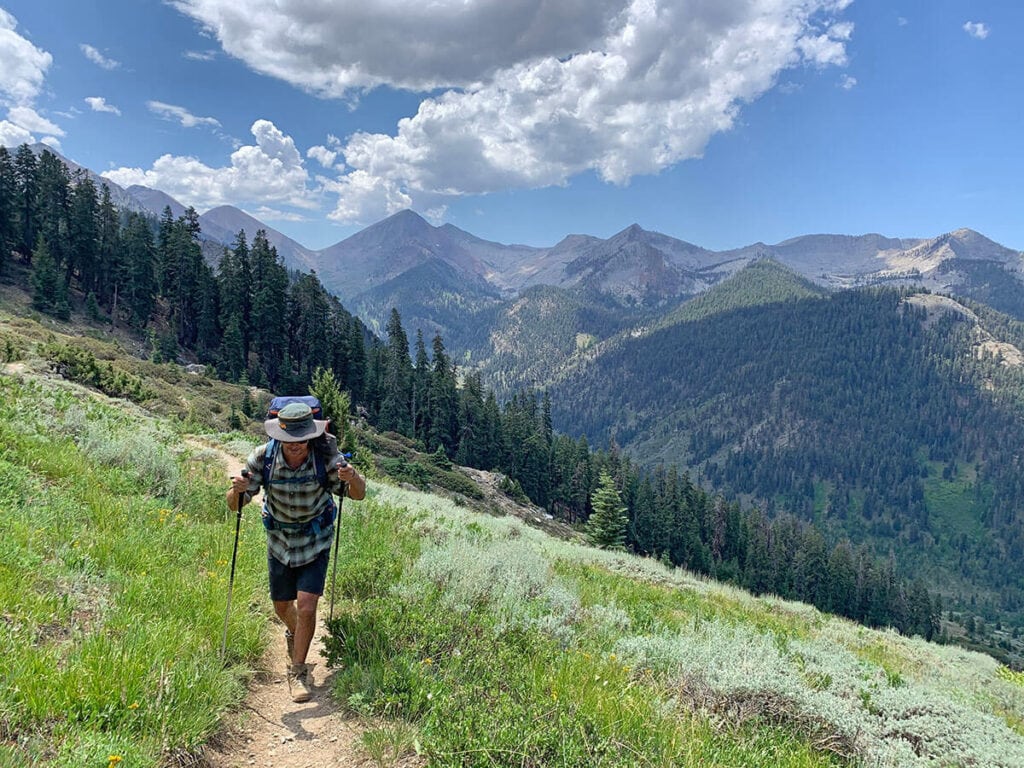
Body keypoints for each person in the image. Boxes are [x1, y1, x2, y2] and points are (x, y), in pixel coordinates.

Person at [227, 401, 366, 702]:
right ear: (280, 435)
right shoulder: (263, 458)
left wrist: (352, 477)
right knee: (281, 606)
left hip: (315, 541)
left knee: (306, 606)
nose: (295, 446)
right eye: (289, 440)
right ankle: (295, 632)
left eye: (301, 440)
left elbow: (358, 494)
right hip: (279, 541)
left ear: (311, 436)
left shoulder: (325, 457)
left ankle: (299, 670)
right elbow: (235, 504)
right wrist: (236, 490)